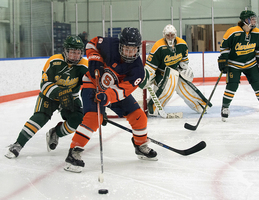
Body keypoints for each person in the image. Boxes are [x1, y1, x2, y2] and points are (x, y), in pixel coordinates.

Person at [64, 27, 157, 173]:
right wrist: (95, 59)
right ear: (120, 45)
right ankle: (74, 152)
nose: (129, 53)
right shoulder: (109, 44)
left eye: (132, 50)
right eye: (126, 49)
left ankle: (140, 146)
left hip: (113, 92)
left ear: (138, 49)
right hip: (92, 83)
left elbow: (123, 90)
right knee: (94, 118)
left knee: (139, 117)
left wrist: (107, 96)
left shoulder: (137, 70)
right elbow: (90, 44)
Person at [5, 36, 88, 158]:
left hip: (71, 97)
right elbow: (44, 85)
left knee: (77, 120)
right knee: (39, 118)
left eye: (78, 52)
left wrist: (97, 107)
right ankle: (18, 144)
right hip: (49, 96)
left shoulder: (84, 66)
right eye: (72, 52)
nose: (75, 56)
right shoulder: (54, 62)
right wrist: (60, 93)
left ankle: (56, 133)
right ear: (65, 51)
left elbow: (89, 87)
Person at [138, 24, 212, 116]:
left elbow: (184, 62)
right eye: (167, 35)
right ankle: (152, 107)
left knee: (186, 88)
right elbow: (151, 67)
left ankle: (200, 106)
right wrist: (148, 77)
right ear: (164, 35)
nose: (170, 37)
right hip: (160, 74)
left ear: (175, 35)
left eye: (172, 35)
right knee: (165, 92)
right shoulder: (158, 46)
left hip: (175, 72)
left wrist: (185, 70)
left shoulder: (182, 44)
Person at [218, 10, 259, 122]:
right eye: (251, 18)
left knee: (258, 84)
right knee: (232, 85)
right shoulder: (232, 31)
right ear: (244, 20)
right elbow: (224, 47)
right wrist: (223, 59)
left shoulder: (258, 33)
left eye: (254, 18)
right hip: (234, 64)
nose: (254, 20)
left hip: (251, 63)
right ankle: (225, 107)